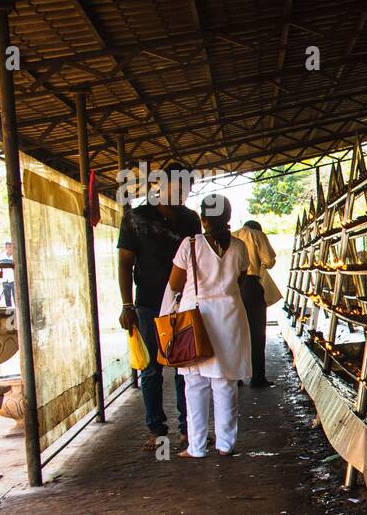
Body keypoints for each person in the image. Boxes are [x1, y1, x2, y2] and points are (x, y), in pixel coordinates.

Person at [117, 163, 201, 449]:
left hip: (182, 304)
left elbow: (197, 261)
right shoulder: (136, 218)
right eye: (177, 187)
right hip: (148, 303)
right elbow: (125, 263)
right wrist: (127, 304)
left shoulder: (191, 220)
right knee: (151, 369)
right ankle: (157, 430)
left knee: (183, 367)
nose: (182, 194)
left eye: (186, 189)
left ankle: (188, 428)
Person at [163, 194, 252, 459]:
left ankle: (197, 447)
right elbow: (240, 278)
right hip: (230, 317)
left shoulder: (190, 245)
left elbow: (176, 284)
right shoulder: (239, 247)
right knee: (225, 383)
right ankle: (225, 445)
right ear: (227, 218)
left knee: (195, 385)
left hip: (197, 319)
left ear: (202, 218)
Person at [231, 219, 278, 387]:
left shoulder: (231, 235)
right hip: (251, 285)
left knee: (236, 332)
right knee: (257, 333)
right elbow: (269, 262)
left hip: (232, 286)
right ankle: (257, 377)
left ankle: (235, 376)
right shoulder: (257, 235)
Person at [0, 242, 15, 307]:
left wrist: (6, 265)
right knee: (7, 296)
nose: (10, 248)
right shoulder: (2, 255)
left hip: (13, 279)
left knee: (15, 296)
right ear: (6, 248)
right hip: (5, 279)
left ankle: (17, 310)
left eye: (11, 246)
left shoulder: (15, 255)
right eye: (8, 247)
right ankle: (9, 310)